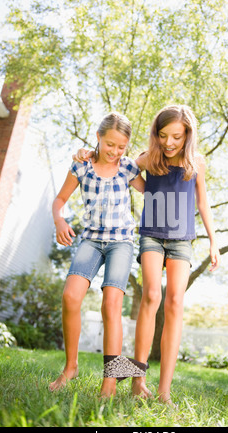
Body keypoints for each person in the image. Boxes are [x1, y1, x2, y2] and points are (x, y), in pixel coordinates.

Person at [73, 104, 220, 405]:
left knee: (176, 301)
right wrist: (89, 152)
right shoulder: (148, 158)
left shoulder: (197, 163)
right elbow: (113, 161)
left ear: (187, 135)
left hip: (182, 241)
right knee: (152, 295)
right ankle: (137, 380)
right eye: (164, 136)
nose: (169, 143)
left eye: (177, 137)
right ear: (156, 134)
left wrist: (214, 242)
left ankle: (164, 390)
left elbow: (203, 204)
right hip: (151, 236)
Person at [49, 112, 146, 398]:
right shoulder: (82, 166)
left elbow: (153, 189)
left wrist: (147, 158)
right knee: (70, 297)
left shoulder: (128, 168)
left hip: (121, 243)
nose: (115, 152)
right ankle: (70, 367)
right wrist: (59, 220)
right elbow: (59, 200)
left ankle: (111, 380)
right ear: (98, 138)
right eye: (110, 145)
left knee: (112, 305)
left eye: (121, 147)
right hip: (91, 240)